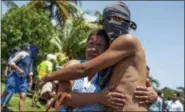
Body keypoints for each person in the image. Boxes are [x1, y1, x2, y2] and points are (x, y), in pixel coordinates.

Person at [41, 2, 152, 111]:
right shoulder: (108, 65)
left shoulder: (128, 40)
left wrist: (48, 77)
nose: (94, 49)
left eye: (118, 19)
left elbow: (83, 69)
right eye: (108, 19)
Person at [1, 43, 33, 112]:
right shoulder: (22, 54)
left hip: (24, 80)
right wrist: (19, 69)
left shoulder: (30, 58)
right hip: (15, 77)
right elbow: (11, 62)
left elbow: (30, 70)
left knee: (23, 96)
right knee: (6, 93)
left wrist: (30, 81)